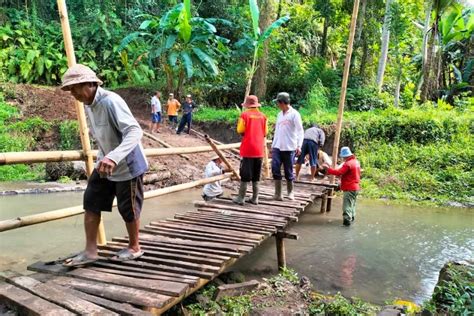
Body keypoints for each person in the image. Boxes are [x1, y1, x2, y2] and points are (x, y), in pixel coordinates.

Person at [60, 64, 148, 266]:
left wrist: (114, 157)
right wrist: (103, 157)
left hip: (127, 162)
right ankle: (91, 251)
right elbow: (103, 136)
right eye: (70, 89)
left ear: (89, 84)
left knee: (129, 208)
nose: (72, 93)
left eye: (74, 88)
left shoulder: (111, 101)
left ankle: (135, 247)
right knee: (91, 200)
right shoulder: (89, 104)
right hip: (106, 161)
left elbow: (134, 131)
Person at [232, 95, 268, 205]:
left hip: (248, 149)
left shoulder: (244, 115)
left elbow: (240, 130)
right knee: (256, 175)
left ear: (247, 105)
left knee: (245, 174)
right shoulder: (263, 116)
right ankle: (255, 198)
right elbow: (265, 133)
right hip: (259, 149)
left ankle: (241, 198)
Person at [271, 92, 304, 200]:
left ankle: (290, 192)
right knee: (275, 168)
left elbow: (300, 131)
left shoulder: (294, 114)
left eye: (278, 103)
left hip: (289, 147)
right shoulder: (279, 115)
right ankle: (278, 193)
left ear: (283, 103)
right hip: (277, 146)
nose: (277, 105)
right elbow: (277, 131)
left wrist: (299, 145)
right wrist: (273, 144)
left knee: (288, 170)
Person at [323, 147, 361, 227]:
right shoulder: (356, 162)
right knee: (352, 205)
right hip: (356, 187)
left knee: (346, 206)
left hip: (349, 187)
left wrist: (329, 170)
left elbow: (339, 172)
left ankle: (346, 222)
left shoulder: (348, 164)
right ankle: (352, 218)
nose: (343, 158)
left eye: (343, 157)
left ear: (345, 156)